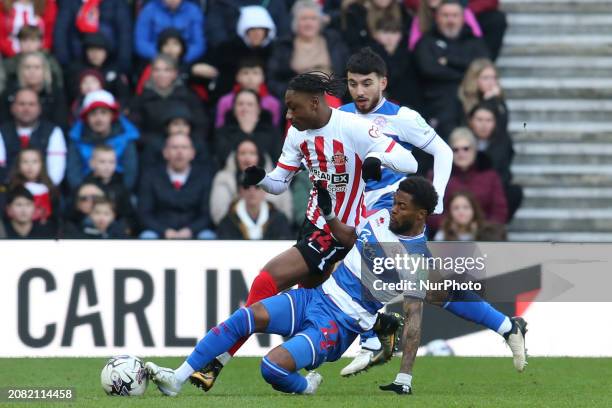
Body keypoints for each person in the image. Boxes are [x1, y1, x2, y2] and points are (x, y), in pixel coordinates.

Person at [144, 177, 527, 397]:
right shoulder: (380, 215)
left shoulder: (414, 258)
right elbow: (349, 235)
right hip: (316, 297)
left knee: (270, 369)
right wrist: (328, 212)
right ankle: (176, 380)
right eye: (394, 202)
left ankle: (308, 387)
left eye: (401, 206)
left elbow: (414, 319)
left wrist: (405, 377)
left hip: (339, 325)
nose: (393, 209)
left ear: (421, 215)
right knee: (245, 317)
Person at [189, 71, 419, 391]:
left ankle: (216, 362)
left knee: (266, 280)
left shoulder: (352, 126)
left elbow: (410, 162)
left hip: (340, 230)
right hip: (313, 225)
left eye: (293, 108)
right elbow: (280, 183)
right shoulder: (297, 133)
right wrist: (260, 178)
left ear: (314, 103)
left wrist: (377, 158)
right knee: (315, 309)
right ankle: (378, 326)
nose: (288, 115)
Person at [413, 0, 489, 139]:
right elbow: (429, 70)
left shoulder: (475, 42)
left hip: (472, 102)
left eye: (455, 15)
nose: (450, 20)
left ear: (462, 18)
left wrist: (447, 62)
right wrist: (466, 72)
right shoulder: (426, 42)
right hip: (437, 105)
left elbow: (483, 67)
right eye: (445, 15)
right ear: (437, 17)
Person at [138, 132, 215, 240]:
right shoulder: (150, 176)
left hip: (194, 232)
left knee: (208, 236)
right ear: (165, 152)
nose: (179, 152)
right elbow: (144, 213)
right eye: (174, 147)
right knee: (147, 236)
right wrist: (164, 231)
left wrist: (190, 230)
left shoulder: (205, 176)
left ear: (192, 153)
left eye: (184, 147)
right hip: (160, 231)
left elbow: (207, 214)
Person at [429, 126, 507, 231]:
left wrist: (482, 228)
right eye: (455, 149)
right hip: (447, 236)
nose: (461, 153)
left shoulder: (491, 177)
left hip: (483, 236)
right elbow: (428, 210)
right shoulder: (437, 176)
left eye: (466, 149)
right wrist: (449, 226)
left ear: (474, 150)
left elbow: (499, 211)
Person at [267, 0, 349, 99]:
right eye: (304, 19)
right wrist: (291, 92)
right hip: (299, 97)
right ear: (295, 22)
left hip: (332, 95)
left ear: (320, 22)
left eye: (313, 18)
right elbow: (273, 79)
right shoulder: (284, 45)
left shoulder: (333, 40)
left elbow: (346, 73)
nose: (308, 23)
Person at [128, 54, 207, 147]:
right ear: (151, 73)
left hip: (186, 148)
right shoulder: (140, 99)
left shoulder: (189, 97)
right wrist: (159, 144)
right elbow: (135, 130)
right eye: (156, 70)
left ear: (175, 73)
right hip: (151, 149)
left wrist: (185, 144)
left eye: (167, 70)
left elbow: (201, 126)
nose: (161, 74)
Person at [67, 89, 139, 191]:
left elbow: (130, 174)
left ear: (112, 115)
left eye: (103, 113)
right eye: (93, 114)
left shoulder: (126, 137)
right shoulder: (76, 139)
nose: (99, 118)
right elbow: (74, 174)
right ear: (86, 118)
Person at [210, 138, 292, 227]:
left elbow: (287, 214)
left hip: (272, 233)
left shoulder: (276, 179)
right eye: (242, 153)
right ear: (236, 157)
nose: (247, 158)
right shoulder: (223, 179)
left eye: (252, 153)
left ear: (260, 156)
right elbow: (219, 215)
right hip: (233, 232)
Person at [0, 87, 65, 185]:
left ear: (39, 108)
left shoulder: (53, 131)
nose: (26, 109)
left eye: (31, 104)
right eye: (22, 104)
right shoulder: (2, 131)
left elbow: (56, 171)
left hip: (45, 191)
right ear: (12, 108)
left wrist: (39, 191)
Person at [468, 102, 522, 220]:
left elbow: (504, 172)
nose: (484, 125)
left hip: (493, 190)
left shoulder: (503, 142)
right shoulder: (463, 141)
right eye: (479, 120)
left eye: (489, 120)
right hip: (466, 190)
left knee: (514, 192)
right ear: (471, 122)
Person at [210, 5, 276, 96]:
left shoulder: (276, 51)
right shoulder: (228, 51)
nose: (256, 33)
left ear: (267, 31)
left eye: (260, 29)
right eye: (252, 29)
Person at [53, 0, 133, 74]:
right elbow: (61, 32)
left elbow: (125, 34)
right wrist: (65, 64)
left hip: (110, 61)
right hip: (78, 59)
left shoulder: (117, 3)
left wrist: (123, 66)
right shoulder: (69, 3)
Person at [1, 51, 67, 127]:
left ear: (45, 71)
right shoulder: (9, 94)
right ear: (20, 71)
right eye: (27, 67)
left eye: (37, 67)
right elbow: (3, 124)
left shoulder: (55, 93)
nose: (32, 71)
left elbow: (61, 123)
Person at [214, 88, 282, 163]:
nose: (245, 108)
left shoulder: (272, 132)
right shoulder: (223, 132)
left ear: (258, 109)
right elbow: (221, 159)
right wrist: (244, 131)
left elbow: (277, 160)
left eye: (250, 104)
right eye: (240, 104)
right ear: (234, 109)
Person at [69, 32, 131, 109]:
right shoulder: (76, 70)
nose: (95, 54)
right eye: (91, 50)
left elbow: (123, 96)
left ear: (106, 52)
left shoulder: (115, 69)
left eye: (99, 50)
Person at [215, 57, 281, 128]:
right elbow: (220, 127)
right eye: (245, 73)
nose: (250, 78)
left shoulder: (272, 103)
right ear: (237, 77)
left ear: (263, 77)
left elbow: (274, 130)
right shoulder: (225, 101)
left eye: (255, 73)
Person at [82, 144, 135, 233]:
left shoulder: (121, 187)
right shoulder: (85, 187)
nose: (107, 166)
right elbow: (75, 216)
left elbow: (129, 216)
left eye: (111, 162)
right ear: (91, 163)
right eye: (102, 162)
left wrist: (123, 229)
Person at [134, 0, 206, 64]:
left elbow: (199, 44)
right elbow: (141, 43)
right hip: (155, 62)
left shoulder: (193, 11)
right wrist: (163, 57)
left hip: (185, 61)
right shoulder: (149, 10)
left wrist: (181, 56)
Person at [205, 0, 290, 50]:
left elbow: (283, 34)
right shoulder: (222, 3)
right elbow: (216, 32)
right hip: (232, 58)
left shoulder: (276, 3)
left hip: (269, 57)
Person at [217, 184, 293, 240]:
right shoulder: (228, 221)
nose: (252, 192)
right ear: (240, 191)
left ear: (265, 191)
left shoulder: (279, 220)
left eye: (257, 187)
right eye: (247, 187)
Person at [3, 25, 63, 91]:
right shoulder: (9, 64)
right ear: (19, 42)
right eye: (24, 40)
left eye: (33, 40)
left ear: (40, 42)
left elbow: (58, 82)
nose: (29, 45)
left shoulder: (50, 61)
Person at [7, 147, 58, 225]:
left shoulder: (50, 188)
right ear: (18, 165)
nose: (30, 166)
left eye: (35, 161)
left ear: (42, 164)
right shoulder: (12, 188)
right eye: (25, 162)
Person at [405, 0, 482, 51]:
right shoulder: (421, 16)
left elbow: (477, 38)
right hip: (432, 58)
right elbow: (413, 46)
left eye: (454, 15)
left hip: (461, 52)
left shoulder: (463, 12)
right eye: (445, 15)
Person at [341, 0, 411, 52]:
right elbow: (353, 45)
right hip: (369, 63)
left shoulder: (402, 11)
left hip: (400, 63)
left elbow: (408, 41)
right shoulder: (356, 11)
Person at [459, 58, 507, 130]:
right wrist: (486, 100)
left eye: (494, 77)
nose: (491, 82)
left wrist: (494, 100)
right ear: (474, 79)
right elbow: (466, 125)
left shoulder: (496, 97)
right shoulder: (463, 97)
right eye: (485, 78)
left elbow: (502, 125)